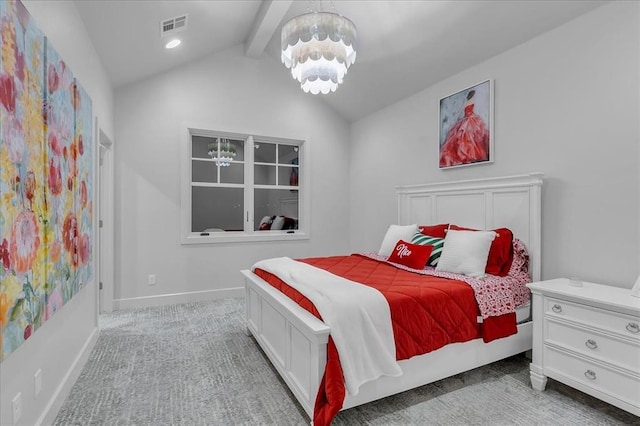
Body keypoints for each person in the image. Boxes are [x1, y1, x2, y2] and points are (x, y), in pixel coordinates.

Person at [439, 89, 489, 167]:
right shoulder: (473, 101)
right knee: (467, 138)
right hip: (470, 118)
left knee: (467, 138)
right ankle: (470, 157)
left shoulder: (465, 103)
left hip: (469, 119)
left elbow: (462, 112)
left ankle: (469, 157)